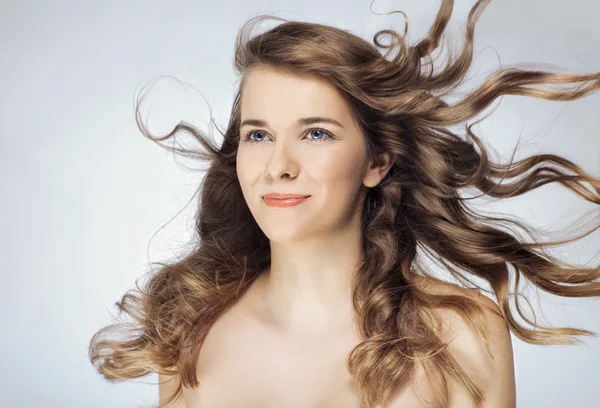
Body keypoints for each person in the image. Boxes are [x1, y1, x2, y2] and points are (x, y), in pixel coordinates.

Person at [89, 0, 600, 407]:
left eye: (315, 133)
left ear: (377, 161)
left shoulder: (464, 331)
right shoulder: (189, 328)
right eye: (259, 135)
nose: (278, 166)